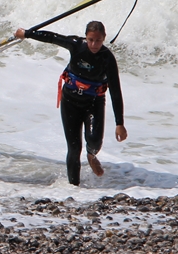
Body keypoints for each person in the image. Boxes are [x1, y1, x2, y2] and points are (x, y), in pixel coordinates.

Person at [14, 20, 126, 186]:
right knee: (74, 148)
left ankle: (91, 155)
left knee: (95, 141)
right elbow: (52, 37)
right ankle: (74, 188)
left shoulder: (107, 58)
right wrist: (27, 33)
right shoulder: (76, 45)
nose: (94, 44)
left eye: (98, 41)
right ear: (85, 37)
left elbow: (115, 91)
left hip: (94, 102)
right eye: (90, 40)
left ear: (104, 38)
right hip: (70, 101)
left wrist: (119, 123)